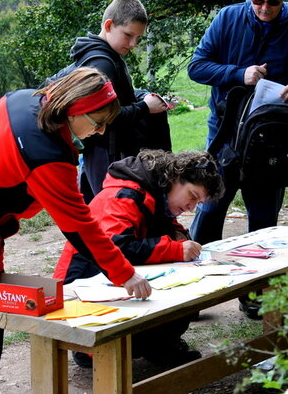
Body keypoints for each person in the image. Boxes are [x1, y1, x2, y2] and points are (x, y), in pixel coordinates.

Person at [0, 67, 152, 394]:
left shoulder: (22, 100)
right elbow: (80, 226)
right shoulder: (48, 154)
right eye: (98, 122)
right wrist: (125, 274)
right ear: (74, 109)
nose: (101, 131)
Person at [188, 0, 288, 318]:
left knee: (264, 221)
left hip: (270, 140)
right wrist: (240, 74)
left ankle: (257, 296)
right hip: (224, 136)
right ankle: (192, 296)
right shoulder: (227, 18)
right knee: (209, 213)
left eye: (271, 1)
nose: (264, 8)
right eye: (257, 1)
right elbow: (197, 66)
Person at [54, 149, 225, 369]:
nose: (192, 207)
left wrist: (177, 234)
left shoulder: (156, 194)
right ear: (174, 178)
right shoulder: (125, 194)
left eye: (198, 202)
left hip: (111, 280)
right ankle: (91, 351)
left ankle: (159, 346)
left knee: (187, 291)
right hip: (81, 285)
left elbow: (154, 224)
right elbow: (118, 248)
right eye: (192, 196)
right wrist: (174, 249)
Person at [50, 0, 171, 203]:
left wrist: (141, 95)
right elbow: (106, 116)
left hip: (99, 153)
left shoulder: (103, 54)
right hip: (107, 154)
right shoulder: (101, 63)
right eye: (128, 35)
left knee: (96, 208)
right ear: (108, 25)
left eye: (138, 38)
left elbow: (118, 98)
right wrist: (144, 107)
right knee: (114, 210)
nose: (133, 44)